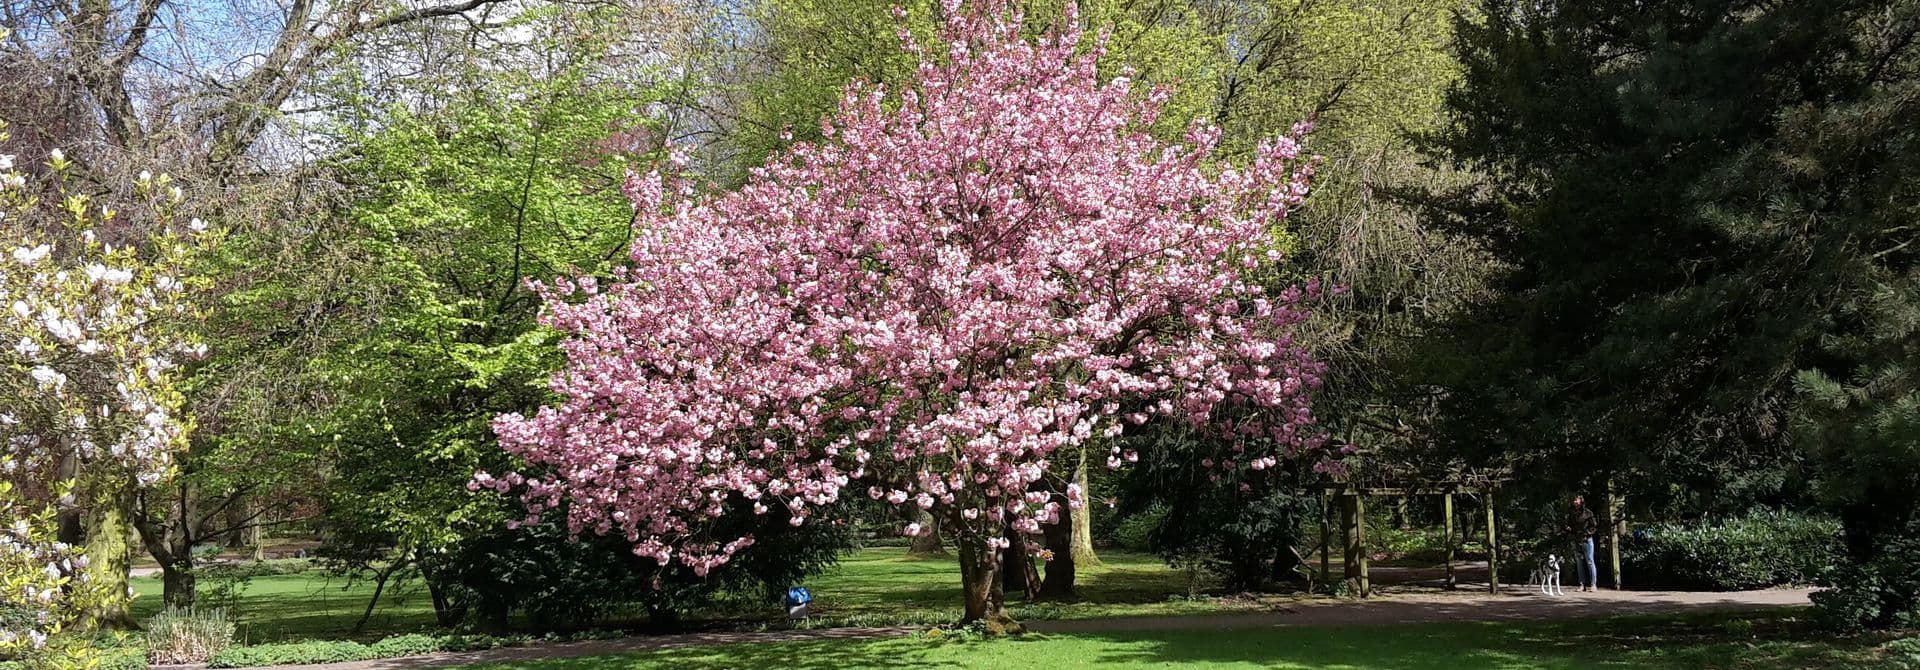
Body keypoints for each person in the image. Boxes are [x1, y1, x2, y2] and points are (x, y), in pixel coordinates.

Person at [1567, 495, 1599, 592]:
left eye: (1576, 500)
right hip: (1576, 539)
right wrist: (1569, 530)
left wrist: (1588, 533)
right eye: (1574, 500)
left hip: (1587, 540)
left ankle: (1593, 584)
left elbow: (1594, 525)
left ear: (1581, 501)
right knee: (1579, 562)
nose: (1575, 502)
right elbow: (1570, 525)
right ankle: (1582, 584)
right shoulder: (1572, 513)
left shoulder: (1588, 513)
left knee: (1589, 560)